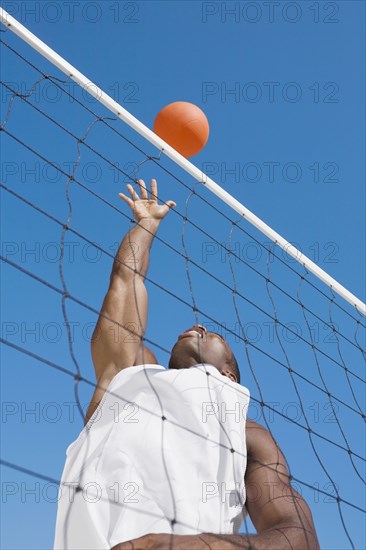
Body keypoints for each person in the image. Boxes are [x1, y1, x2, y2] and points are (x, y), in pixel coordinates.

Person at [54, 179, 319, 550]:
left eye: (215, 335)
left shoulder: (246, 431)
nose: (200, 326)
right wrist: (146, 225)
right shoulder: (130, 375)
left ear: (230, 373)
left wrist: (179, 545)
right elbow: (126, 280)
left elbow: (298, 538)